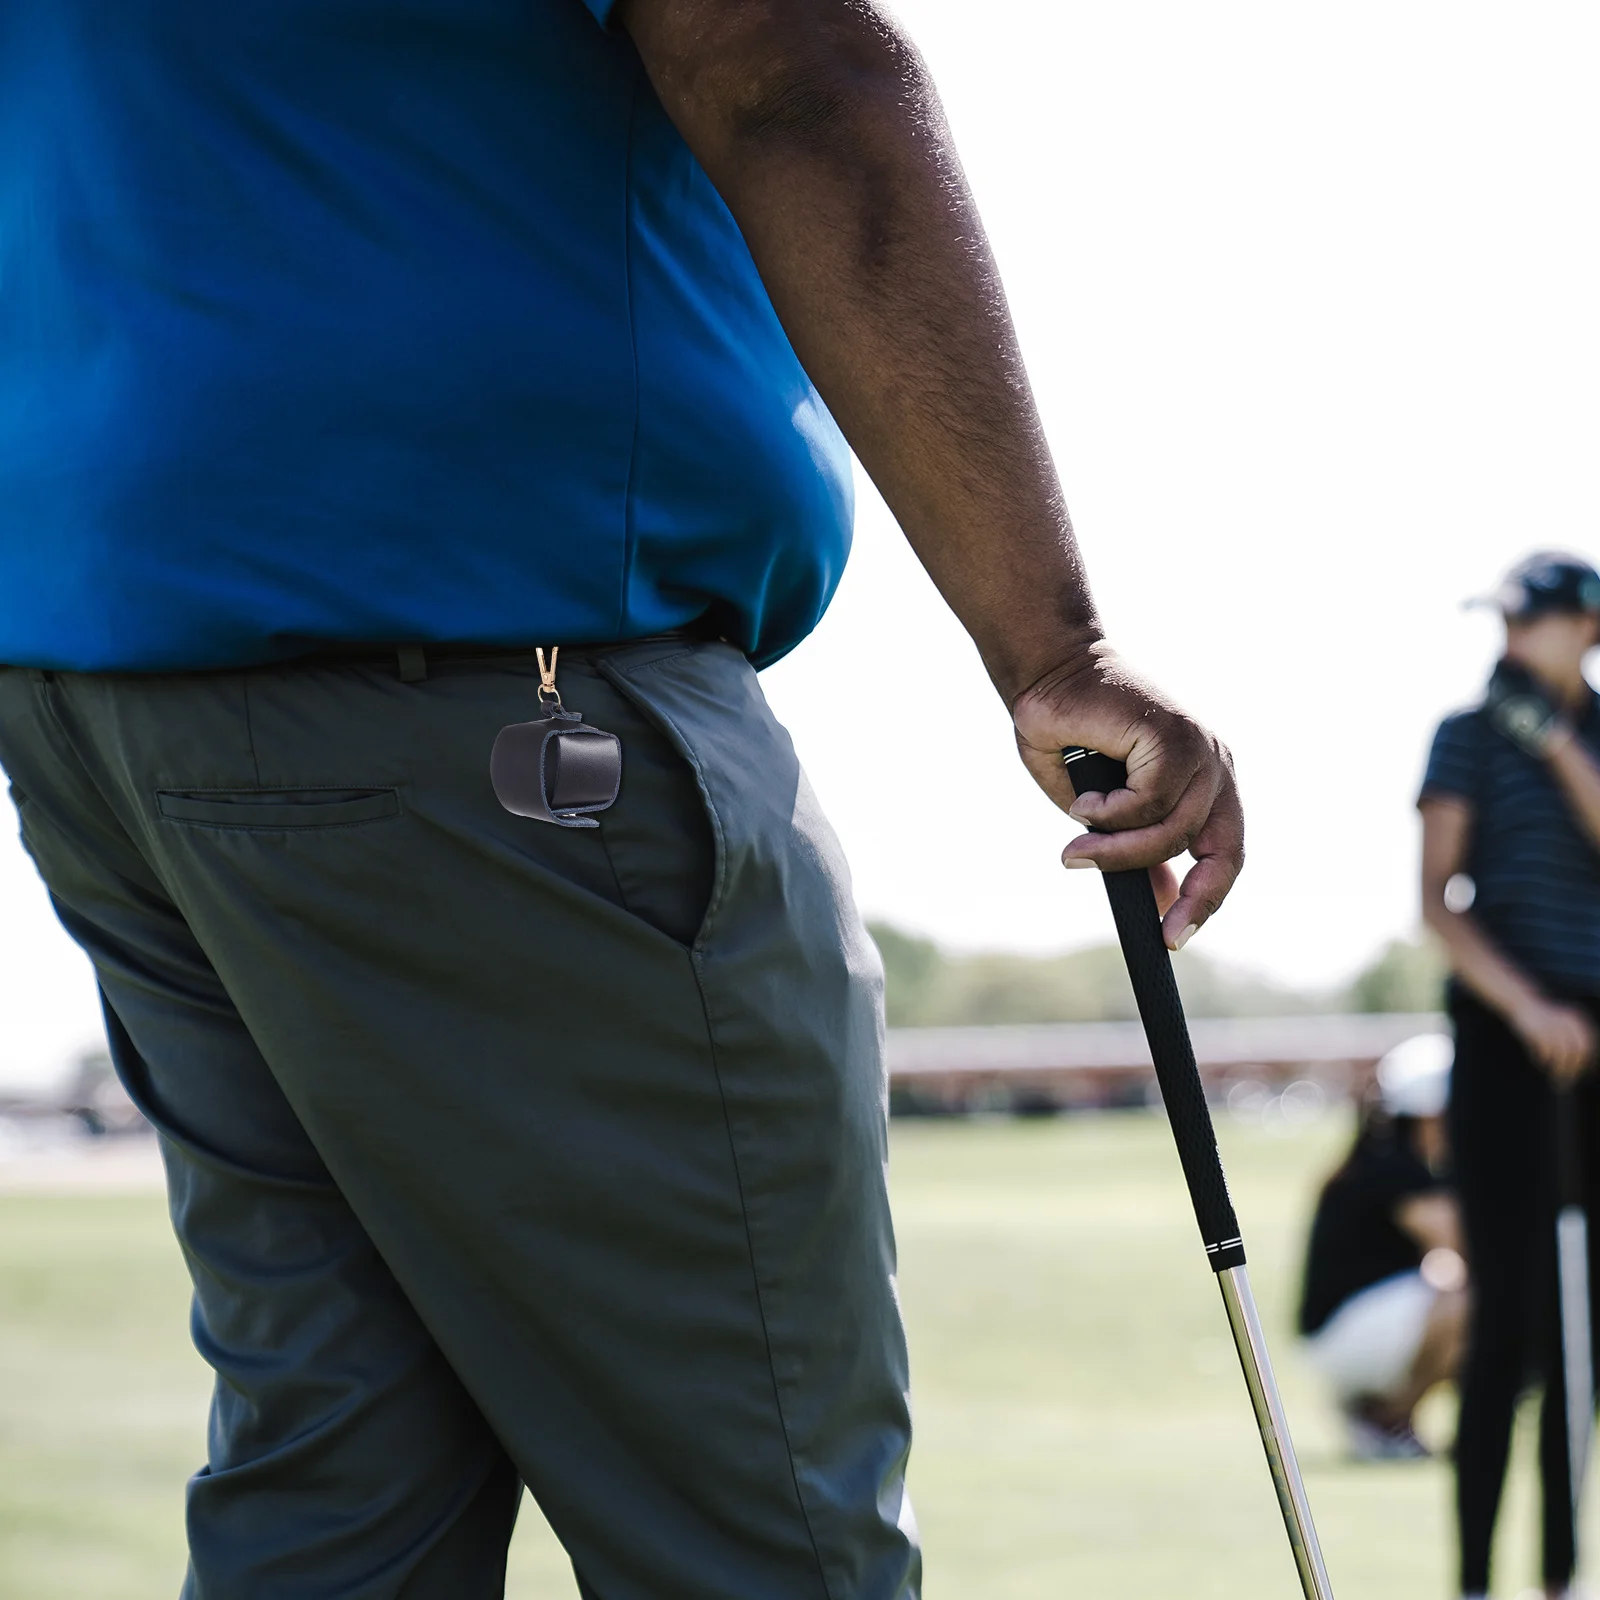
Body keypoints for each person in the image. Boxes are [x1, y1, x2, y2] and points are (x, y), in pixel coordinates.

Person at [0, 3, 1245, 1596]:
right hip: (487, 684)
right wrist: (1054, 644)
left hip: (113, 669)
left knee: (338, 1503)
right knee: (758, 1538)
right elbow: (788, 69)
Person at [1420, 552, 1600, 1600]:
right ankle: (1476, 1582)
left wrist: (1560, 746)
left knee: (1585, 1323)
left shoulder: (1577, 731)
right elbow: (1438, 901)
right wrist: (1526, 1005)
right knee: (1508, 1321)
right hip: (1503, 1036)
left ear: (1579, 627)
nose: (1505, 638)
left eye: (1524, 620)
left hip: (1597, 1037)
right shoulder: (1464, 735)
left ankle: (1561, 1577)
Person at [1298, 1033, 1468, 1460]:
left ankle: (1389, 1418)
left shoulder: (1384, 1157)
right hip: (1345, 1336)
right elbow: (1463, 1247)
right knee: (1471, 1302)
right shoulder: (1394, 1168)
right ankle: (1387, 1419)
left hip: (1349, 1329)